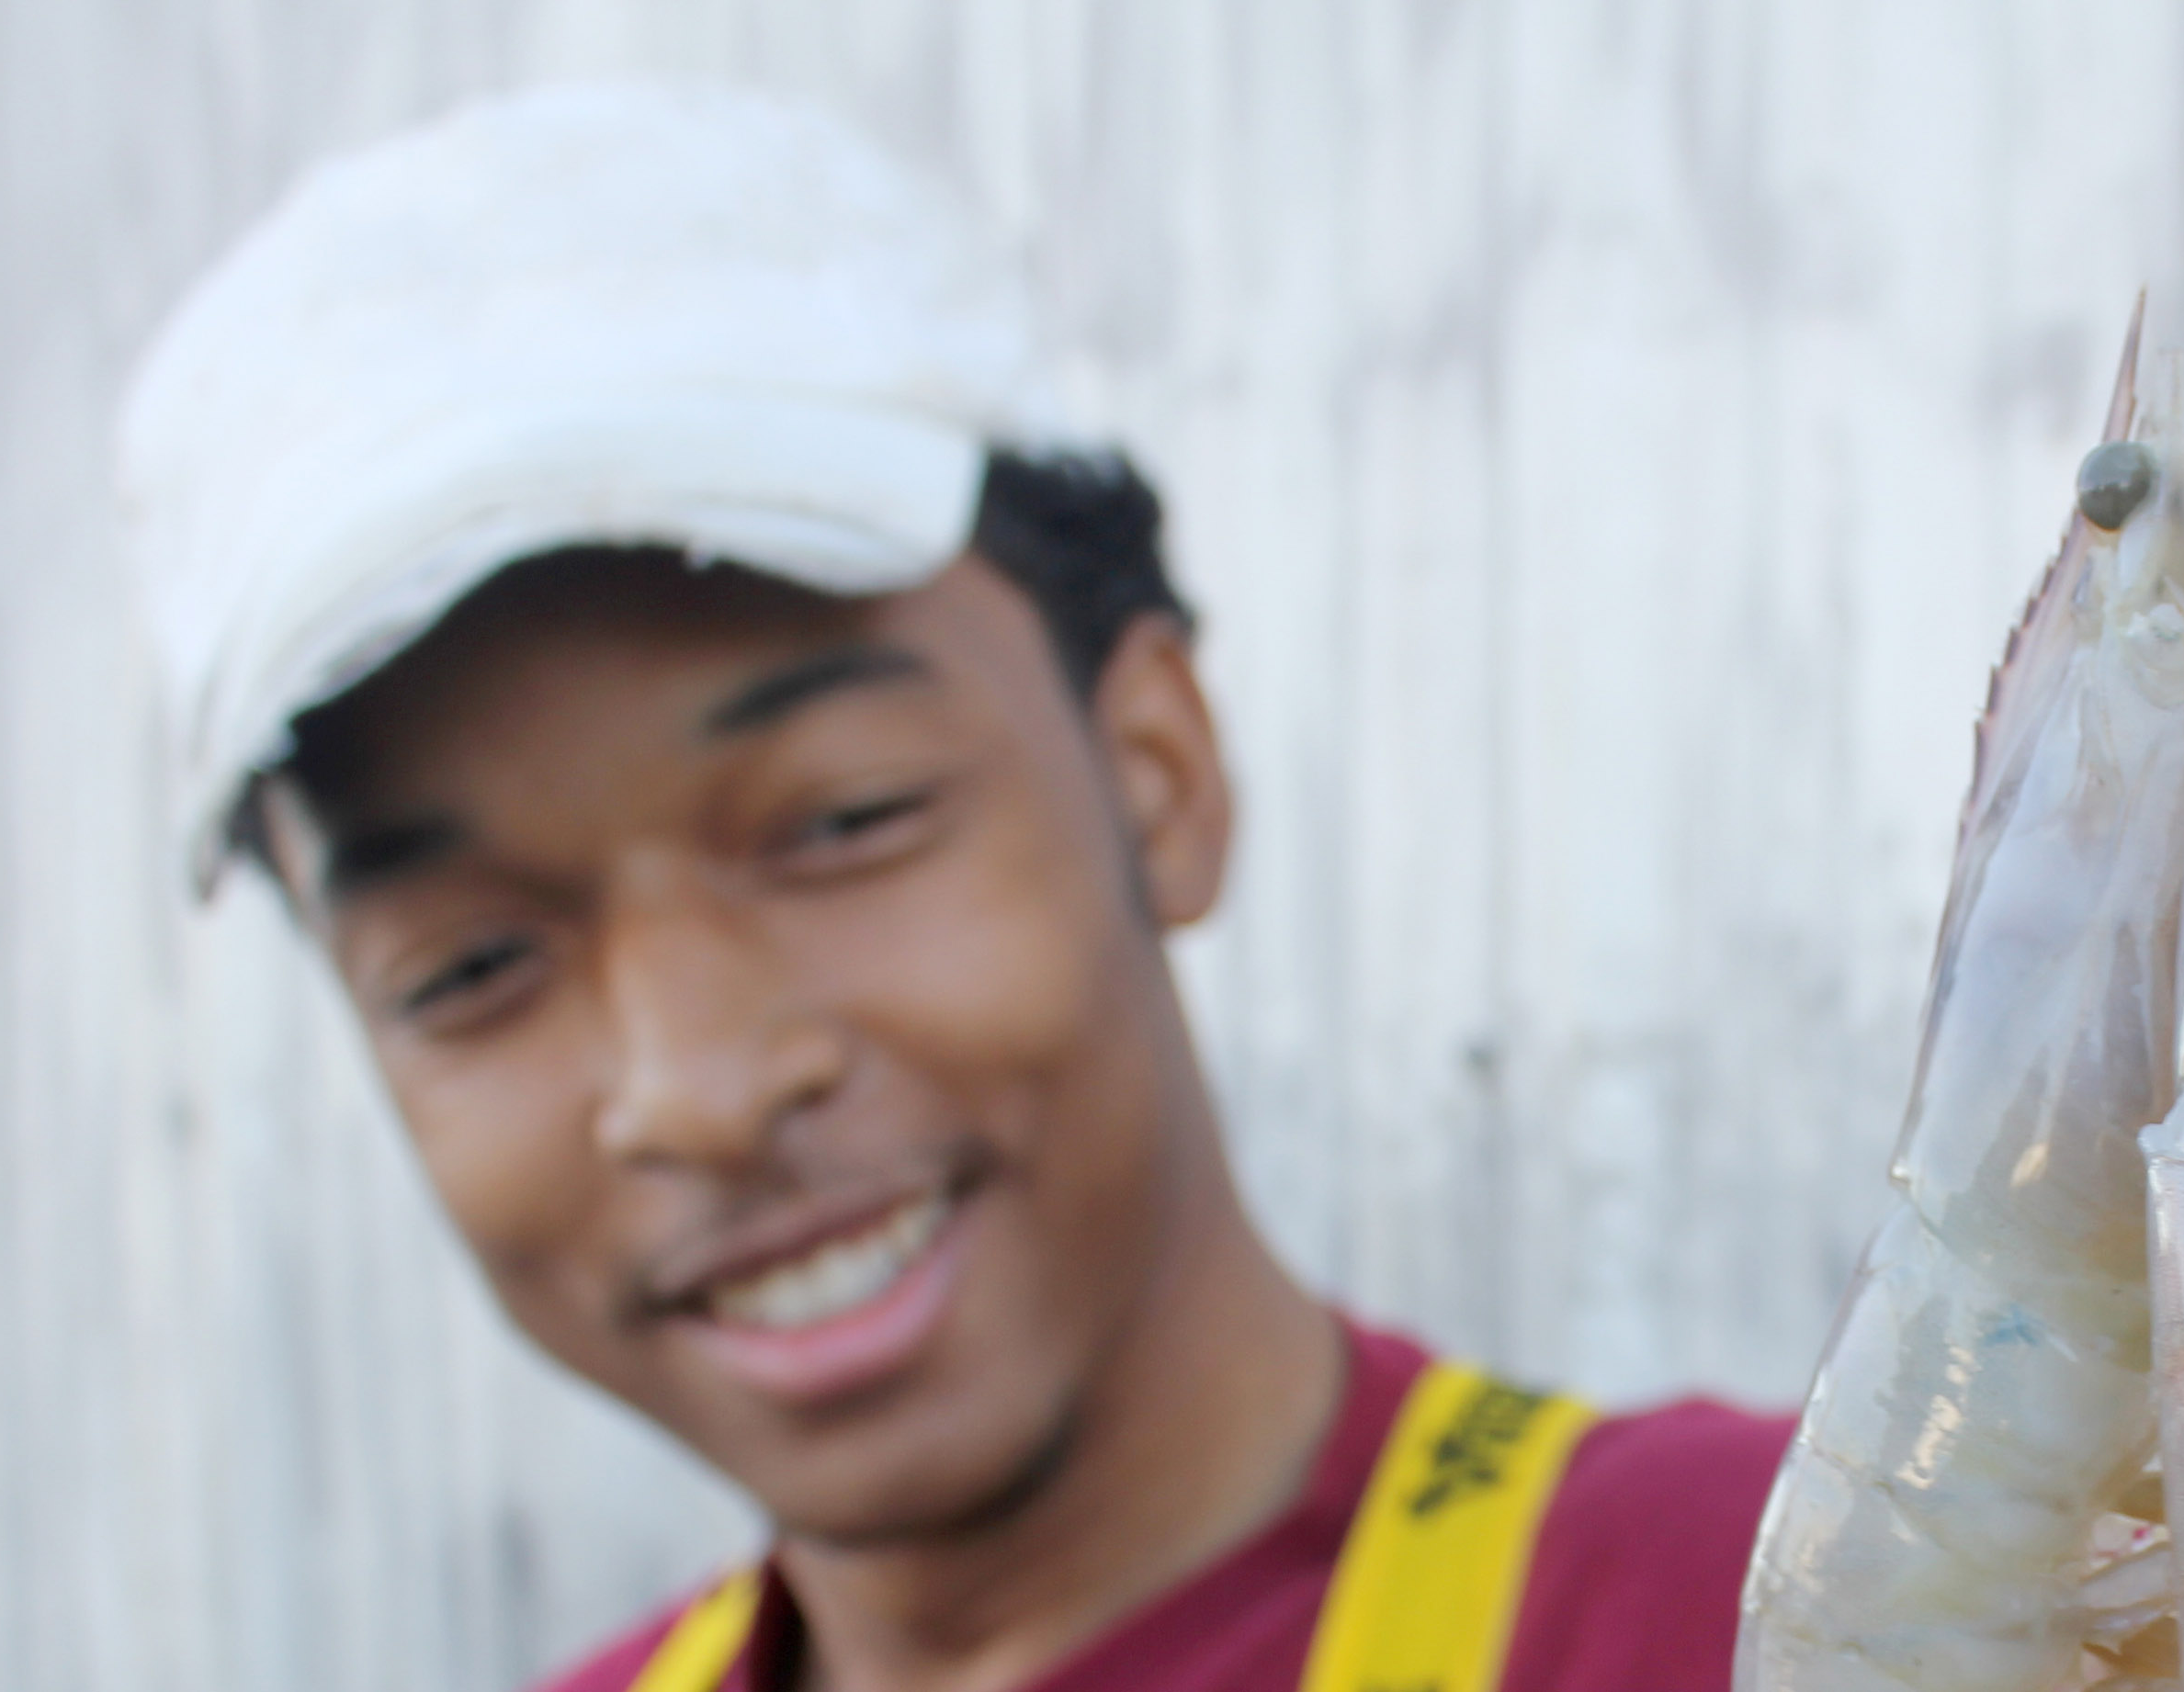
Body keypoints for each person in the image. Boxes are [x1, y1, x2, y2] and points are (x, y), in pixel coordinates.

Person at [116, 86, 1788, 1692]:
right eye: (469, 964)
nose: (698, 1084)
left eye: (841, 821)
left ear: (1158, 773)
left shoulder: (1821, 1620)